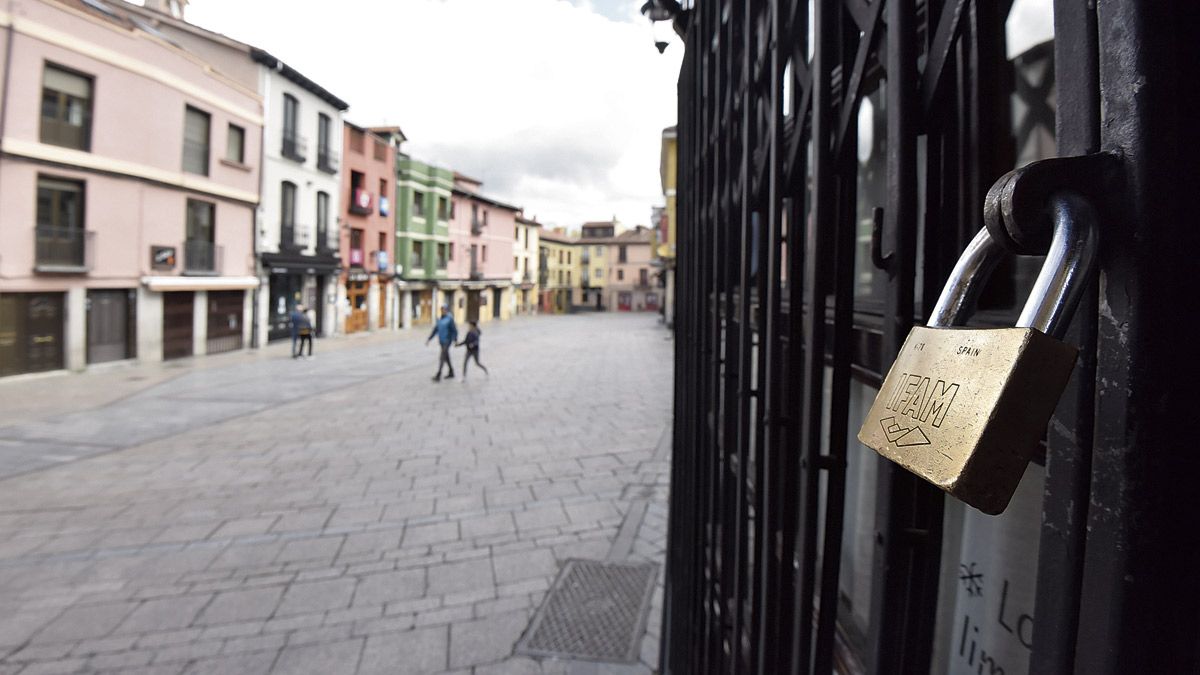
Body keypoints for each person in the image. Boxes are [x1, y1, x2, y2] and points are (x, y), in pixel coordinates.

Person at [426, 304, 458, 381]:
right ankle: (451, 372)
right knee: (446, 357)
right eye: (442, 309)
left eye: (444, 309)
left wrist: (455, 340)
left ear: (447, 310)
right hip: (441, 341)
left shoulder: (450, 319)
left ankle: (438, 374)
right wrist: (429, 339)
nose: (443, 311)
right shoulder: (440, 320)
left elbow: (454, 330)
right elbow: (435, 330)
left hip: (447, 340)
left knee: (442, 357)